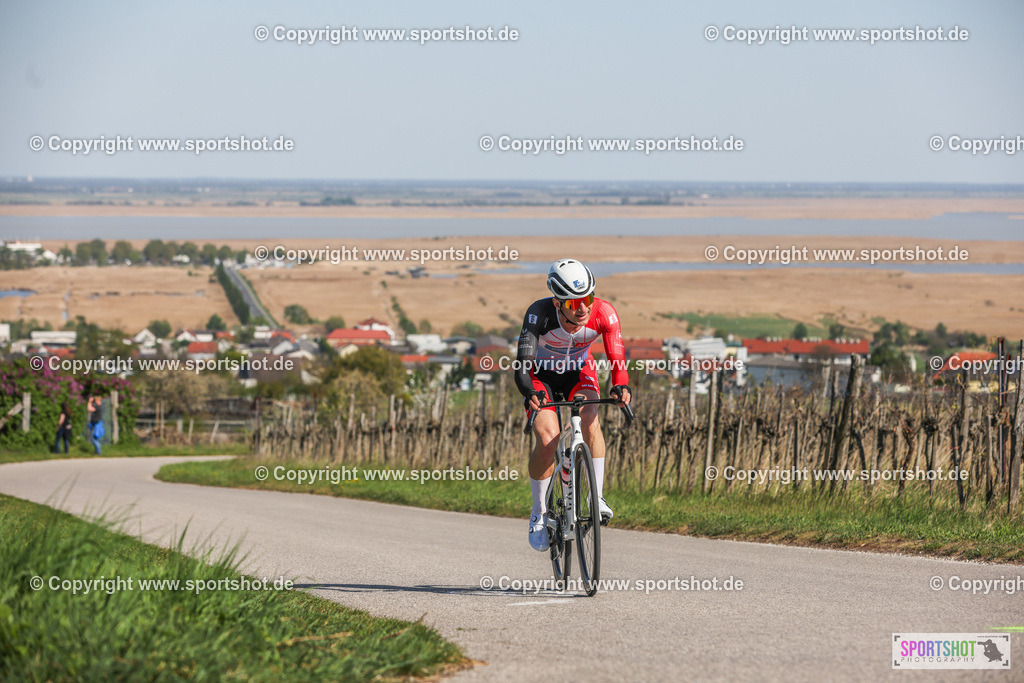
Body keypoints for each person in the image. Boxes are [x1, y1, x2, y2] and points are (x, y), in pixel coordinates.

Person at [514, 258, 631, 551]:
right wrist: (529, 392)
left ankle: (597, 497)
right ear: (557, 302)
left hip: (579, 373)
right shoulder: (538, 313)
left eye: (588, 298)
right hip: (542, 378)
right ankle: (539, 512)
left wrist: (621, 385)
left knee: (591, 415)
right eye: (573, 303)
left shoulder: (604, 313)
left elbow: (617, 359)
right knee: (547, 437)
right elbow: (522, 366)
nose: (583, 309)